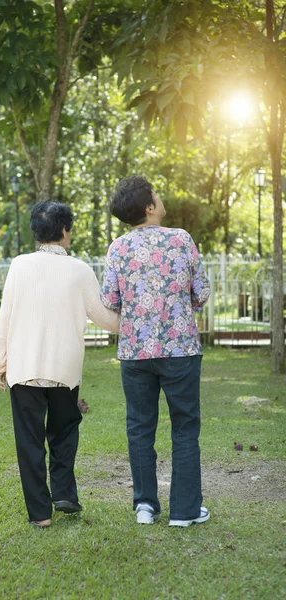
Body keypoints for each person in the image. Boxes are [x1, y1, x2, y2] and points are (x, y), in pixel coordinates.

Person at [0, 200, 119, 528]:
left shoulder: (19, 265)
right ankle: (63, 493)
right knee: (63, 432)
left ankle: (40, 515)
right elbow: (106, 318)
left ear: (36, 232)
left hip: (24, 368)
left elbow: (5, 318)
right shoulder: (79, 270)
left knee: (29, 441)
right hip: (64, 370)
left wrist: (0, 363)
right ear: (64, 231)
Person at [101, 175, 211, 527]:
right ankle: (184, 510)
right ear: (150, 206)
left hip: (135, 352)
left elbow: (110, 301)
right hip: (180, 349)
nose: (161, 199)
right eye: (156, 195)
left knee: (139, 427)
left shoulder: (118, 248)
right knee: (184, 427)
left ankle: (145, 506)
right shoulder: (181, 239)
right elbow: (201, 293)